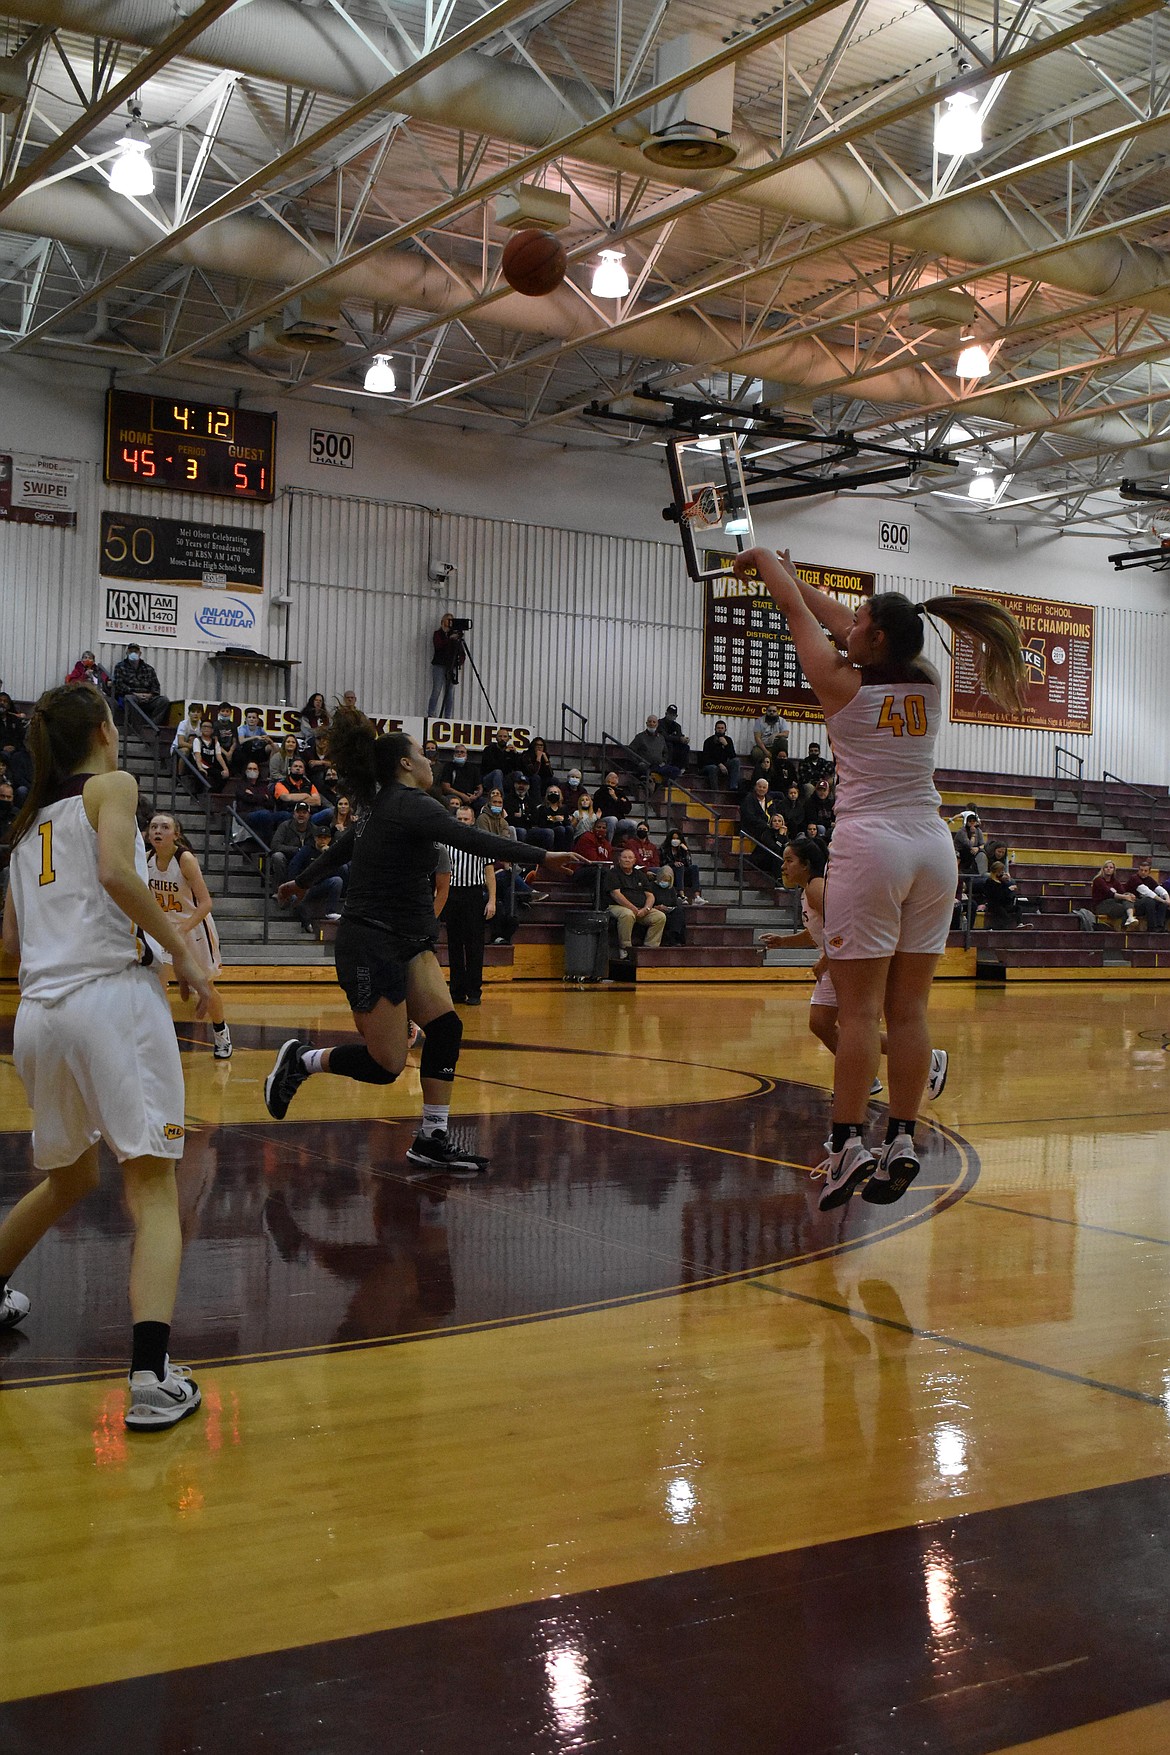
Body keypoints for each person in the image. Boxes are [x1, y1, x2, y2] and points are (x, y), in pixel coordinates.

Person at [732, 545, 1026, 1210]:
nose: (849, 622)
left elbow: (794, 611)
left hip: (873, 845)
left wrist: (768, 563)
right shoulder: (924, 678)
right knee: (910, 1010)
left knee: (859, 1011)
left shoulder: (843, 686)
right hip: (933, 845)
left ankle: (845, 1148)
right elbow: (838, 621)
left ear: (876, 636)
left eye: (860, 618)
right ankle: (900, 1136)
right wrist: (794, 573)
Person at [0, 683, 212, 1429]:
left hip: (38, 1015)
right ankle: (152, 1380)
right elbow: (120, 874)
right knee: (154, 1193)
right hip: (107, 1002)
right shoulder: (113, 786)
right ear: (99, 730)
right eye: (116, 724)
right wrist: (182, 950)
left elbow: (11, 946)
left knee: (69, 1177)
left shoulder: (28, 828)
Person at [264, 709, 581, 1173]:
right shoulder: (410, 804)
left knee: (447, 1027)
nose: (430, 762)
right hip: (370, 944)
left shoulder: (383, 807)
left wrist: (302, 883)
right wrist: (543, 855)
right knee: (387, 1065)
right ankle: (302, 1060)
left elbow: (344, 845)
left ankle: (432, 1137)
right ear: (407, 764)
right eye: (421, 753)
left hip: (409, 941)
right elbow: (470, 838)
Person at [761, 837, 948, 1109]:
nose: (784, 866)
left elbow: (842, 925)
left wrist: (825, 961)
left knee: (846, 1026)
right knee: (821, 1023)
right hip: (837, 958)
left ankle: (925, 1060)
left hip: (843, 960)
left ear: (807, 864)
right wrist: (783, 941)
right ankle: (871, 1075)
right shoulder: (809, 890)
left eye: (789, 860)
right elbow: (817, 931)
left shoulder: (816, 887)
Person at [145, 812, 232, 1057]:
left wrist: (182, 930)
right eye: (153, 827)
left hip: (195, 927)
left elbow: (206, 903)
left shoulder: (185, 860)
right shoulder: (146, 859)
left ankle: (221, 1033)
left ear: (176, 834)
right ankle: (157, 1038)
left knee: (206, 986)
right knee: (156, 982)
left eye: (164, 827)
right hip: (165, 927)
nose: (157, 831)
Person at [442, 805, 496, 1006]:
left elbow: (489, 873)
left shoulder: (480, 842)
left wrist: (491, 900)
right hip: (452, 893)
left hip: (473, 894)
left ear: (473, 820)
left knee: (474, 946)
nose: (463, 822)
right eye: (460, 819)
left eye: (466, 819)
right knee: (454, 945)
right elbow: (440, 873)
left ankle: (474, 992)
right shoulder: (446, 842)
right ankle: (456, 991)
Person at [607, 846, 666, 958]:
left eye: (630, 858)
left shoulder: (639, 875)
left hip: (640, 909)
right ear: (619, 859)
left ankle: (650, 949)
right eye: (624, 857)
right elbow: (616, 895)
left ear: (634, 861)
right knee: (627, 915)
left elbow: (650, 895)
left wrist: (646, 909)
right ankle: (625, 949)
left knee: (660, 916)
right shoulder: (613, 873)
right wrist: (634, 909)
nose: (627, 860)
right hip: (616, 906)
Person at [112, 644, 170, 727]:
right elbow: (119, 685)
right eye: (131, 651)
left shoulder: (148, 669)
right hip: (132, 696)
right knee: (129, 699)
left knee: (164, 700)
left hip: (148, 698)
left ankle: (151, 726)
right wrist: (135, 694)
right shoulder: (120, 667)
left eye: (135, 651)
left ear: (140, 653)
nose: (133, 653)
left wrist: (149, 695)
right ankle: (138, 726)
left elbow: (156, 686)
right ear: (127, 653)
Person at [427, 614, 465, 717]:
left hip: (450, 665)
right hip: (439, 665)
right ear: (443, 621)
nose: (450, 622)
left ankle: (448, 715)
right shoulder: (438, 634)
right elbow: (438, 645)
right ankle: (431, 713)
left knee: (449, 692)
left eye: (451, 620)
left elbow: (461, 652)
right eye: (448, 620)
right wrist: (450, 639)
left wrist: (458, 662)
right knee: (437, 689)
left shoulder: (455, 636)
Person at [628, 714, 682, 784]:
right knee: (643, 769)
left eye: (654, 722)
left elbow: (665, 752)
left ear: (657, 724)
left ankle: (663, 784)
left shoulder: (661, 738)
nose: (652, 724)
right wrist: (639, 762)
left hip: (658, 766)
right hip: (646, 766)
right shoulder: (640, 737)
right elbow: (630, 750)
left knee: (676, 770)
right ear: (646, 723)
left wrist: (664, 762)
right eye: (650, 722)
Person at [1123, 856, 1170, 929]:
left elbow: (1160, 889)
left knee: (1161, 904)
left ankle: (1160, 926)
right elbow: (1147, 892)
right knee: (1149, 900)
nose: (1143, 872)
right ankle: (1152, 927)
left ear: (1149, 872)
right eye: (1141, 870)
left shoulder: (1149, 879)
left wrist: (1167, 900)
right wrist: (1163, 901)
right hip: (1133, 903)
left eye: (1145, 871)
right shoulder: (1134, 878)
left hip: (1144, 903)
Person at [660, 827, 703, 902]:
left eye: (677, 839)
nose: (675, 840)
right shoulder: (664, 849)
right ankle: (681, 894)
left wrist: (686, 851)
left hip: (683, 874)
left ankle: (697, 896)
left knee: (694, 867)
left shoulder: (682, 850)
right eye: (673, 838)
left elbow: (689, 863)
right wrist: (673, 863)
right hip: (671, 873)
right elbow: (663, 863)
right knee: (680, 866)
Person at [594, 772, 637, 845]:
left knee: (633, 824)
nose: (610, 785)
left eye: (613, 783)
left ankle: (630, 845)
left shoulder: (620, 793)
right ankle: (608, 845)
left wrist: (615, 798)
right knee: (613, 819)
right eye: (609, 782)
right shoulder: (600, 792)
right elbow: (596, 807)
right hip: (604, 819)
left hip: (619, 821)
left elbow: (627, 809)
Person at [701, 721, 741, 792]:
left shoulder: (728, 740)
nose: (720, 730)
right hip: (710, 766)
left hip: (724, 765)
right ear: (715, 729)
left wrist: (726, 745)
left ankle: (733, 787)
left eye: (722, 728)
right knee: (713, 768)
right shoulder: (708, 741)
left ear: (725, 730)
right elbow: (705, 759)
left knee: (736, 761)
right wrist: (719, 764)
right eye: (718, 728)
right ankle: (715, 791)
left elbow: (733, 756)